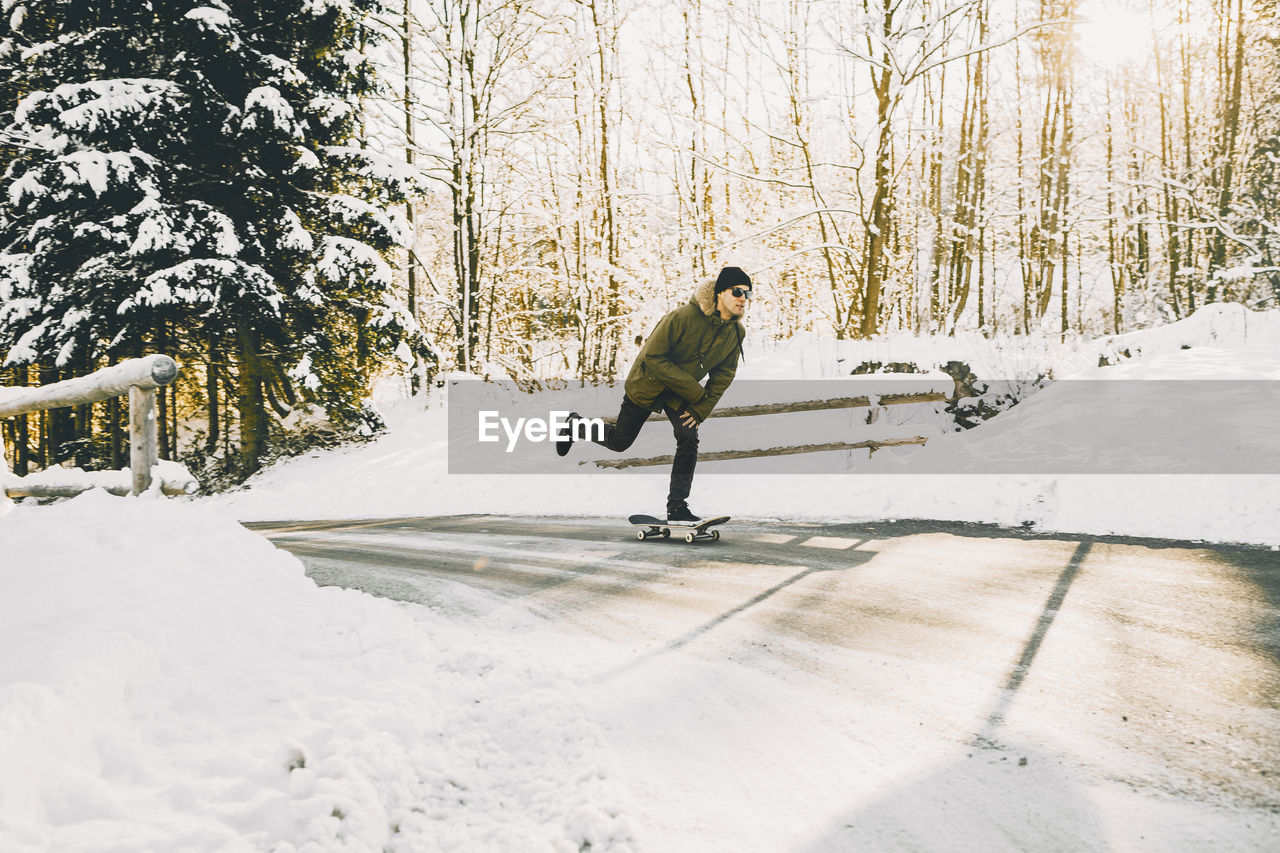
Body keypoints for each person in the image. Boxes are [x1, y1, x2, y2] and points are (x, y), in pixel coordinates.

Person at [556, 266, 751, 522]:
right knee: (619, 442)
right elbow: (653, 355)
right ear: (719, 293)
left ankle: (678, 508)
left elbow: (724, 375)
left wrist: (701, 408)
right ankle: (575, 425)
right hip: (647, 383)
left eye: (748, 294)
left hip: (677, 394)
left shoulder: (736, 333)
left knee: (688, 437)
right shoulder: (682, 317)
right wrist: (694, 391)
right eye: (737, 291)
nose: (743, 299)